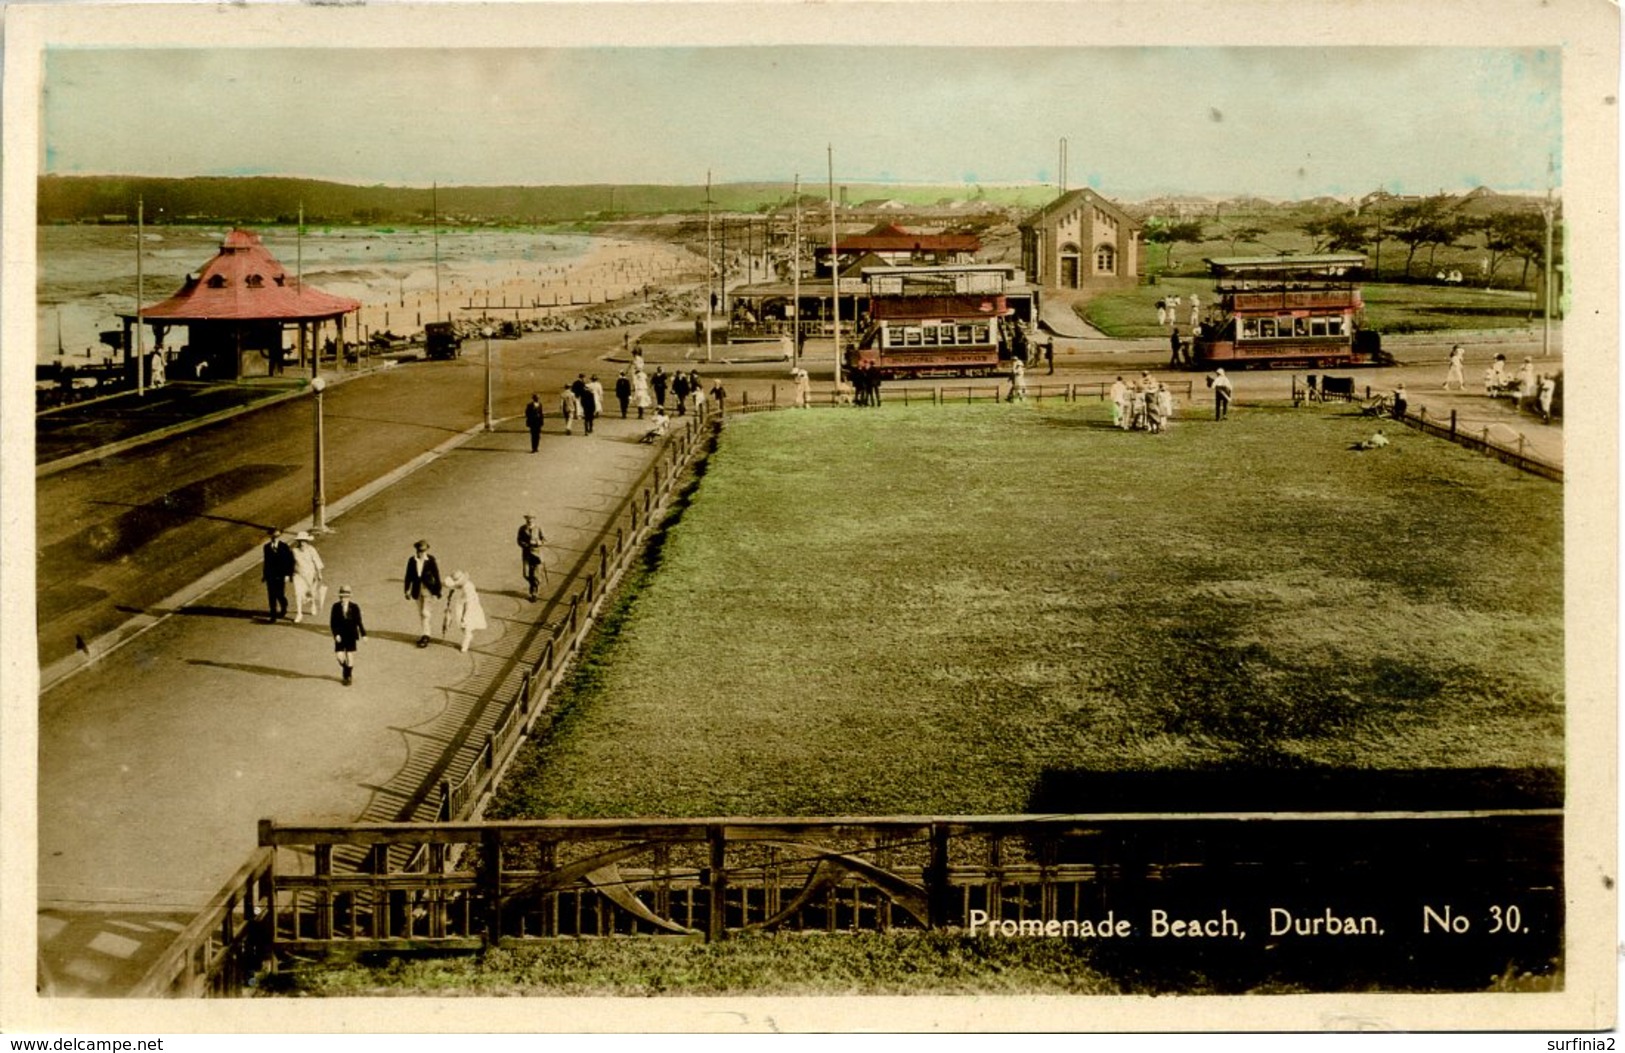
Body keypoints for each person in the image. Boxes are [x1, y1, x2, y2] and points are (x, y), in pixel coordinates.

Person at [403, 539, 443, 648]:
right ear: (416, 550)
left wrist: (438, 590)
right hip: (416, 590)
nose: (422, 553)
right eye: (420, 551)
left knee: (426, 612)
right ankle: (425, 634)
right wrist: (407, 590)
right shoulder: (412, 561)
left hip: (428, 589)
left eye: (424, 551)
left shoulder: (430, 560)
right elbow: (408, 576)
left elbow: (436, 575)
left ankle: (426, 635)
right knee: (421, 613)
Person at [442, 571, 487, 654]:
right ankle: (468, 634)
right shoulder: (458, 586)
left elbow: (468, 604)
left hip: (470, 606)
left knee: (466, 623)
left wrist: (464, 615)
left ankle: (465, 643)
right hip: (461, 605)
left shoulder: (468, 588)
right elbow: (452, 592)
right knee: (460, 624)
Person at [329, 584, 365, 686]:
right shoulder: (335, 607)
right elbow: (332, 623)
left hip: (351, 634)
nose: (344, 599)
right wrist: (336, 634)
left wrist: (364, 634)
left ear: (349, 597)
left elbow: (359, 622)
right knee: (339, 656)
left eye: (346, 596)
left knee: (350, 655)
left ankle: (348, 676)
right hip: (340, 635)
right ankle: (346, 668)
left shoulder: (354, 607)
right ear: (339, 597)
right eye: (342, 596)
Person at [290, 532, 326, 624]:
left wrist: (319, 573)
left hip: (310, 574)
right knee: (298, 594)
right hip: (298, 575)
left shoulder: (311, 550)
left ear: (307, 541)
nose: (302, 543)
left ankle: (313, 604)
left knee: (311, 593)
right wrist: (289, 575)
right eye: (300, 541)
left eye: (304, 541)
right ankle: (299, 613)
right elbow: (290, 563)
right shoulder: (294, 551)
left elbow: (317, 561)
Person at [261, 529, 295, 621]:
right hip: (271, 575)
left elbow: (289, 561)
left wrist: (288, 574)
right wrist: (265, 575)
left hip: (281, 575)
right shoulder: (267, 547)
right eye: (272, 537)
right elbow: (266, 562)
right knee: (271, 595)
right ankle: (273, 615)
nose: (274, 539)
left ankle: (284, 606)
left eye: (276, 537)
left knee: (279, 594)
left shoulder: (284, 546)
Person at [517, 514, 546, 601]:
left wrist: (536, 542)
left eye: (531, 519)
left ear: (534, 519)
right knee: (526, 574)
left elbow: (544, 540)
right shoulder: (522, 529)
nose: (529, 520)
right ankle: (534, 585)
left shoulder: (538, 528)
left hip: (537, 555)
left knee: (535, 575)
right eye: (528, 519)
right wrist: (526, 545)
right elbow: (519, 540)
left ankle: (534, 593)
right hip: (526, 554)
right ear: (525, 519)